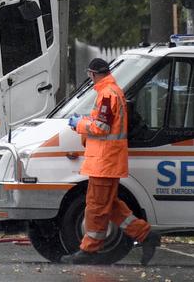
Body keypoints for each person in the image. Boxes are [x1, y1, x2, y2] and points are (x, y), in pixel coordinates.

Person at [63, 58, 161, 265]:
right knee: (111, 205)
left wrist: (79, 123)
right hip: (107, 161)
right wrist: (84, 121)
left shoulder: (107, 95)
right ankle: (146, 235)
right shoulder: (112, 91)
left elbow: (101, 128)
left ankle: (89, 250)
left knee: (96, 206)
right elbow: (103, 123)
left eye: (89, 75)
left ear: (92, 74)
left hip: (104, 162)